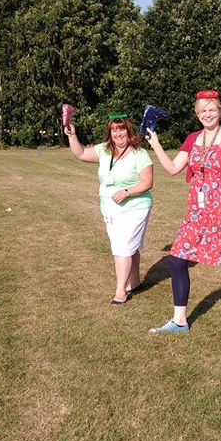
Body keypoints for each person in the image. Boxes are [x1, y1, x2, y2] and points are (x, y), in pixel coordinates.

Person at [146, 90, 221, 337]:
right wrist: (155, 143)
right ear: (197, 114)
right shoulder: (193, 139)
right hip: (198, 212)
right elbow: (174, 168)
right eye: (203, 110)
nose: (208, 114)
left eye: (212, 109)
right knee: (176, 259)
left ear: (219, 111)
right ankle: (179, 321)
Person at [65, 114, 154, 304]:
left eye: (121, 129)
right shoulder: (104, 150)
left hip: (135, 207)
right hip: (110, 209)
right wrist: (72, 135)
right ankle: (136, 282)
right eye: (114, 130)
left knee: (122, 247)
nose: (118, 133)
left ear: (129, 130)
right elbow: (80, 153)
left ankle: (121, 291)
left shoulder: (140, 154)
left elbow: (147, 182)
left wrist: (127, 192)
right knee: (129, 246)